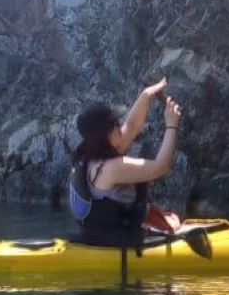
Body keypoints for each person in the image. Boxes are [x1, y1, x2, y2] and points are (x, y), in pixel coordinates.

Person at [69, 77, 185, 248]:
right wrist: (172, 125)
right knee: (171, 222)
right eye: (116, 124)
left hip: (98, 236)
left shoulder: (92, 156)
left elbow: (131, 126)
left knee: (169, 219)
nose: (120, 125)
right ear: (105, 133)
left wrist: (147, 94)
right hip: (116, 243)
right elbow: (161, 167)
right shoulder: (110, 168)